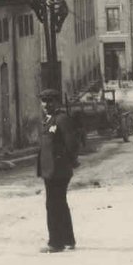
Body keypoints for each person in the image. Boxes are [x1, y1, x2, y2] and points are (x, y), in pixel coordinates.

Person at [37, 89, 82, 253]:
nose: (46, 105)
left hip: (58, 170)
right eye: (43, 101)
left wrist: (69, 161)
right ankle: (68, 239)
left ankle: (56, 242)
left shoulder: (62, 119)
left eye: (49, 101)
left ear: (57, 102)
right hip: (51, 170)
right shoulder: (49, 120)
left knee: (54, 205)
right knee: (59, 204)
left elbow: (72, 143)